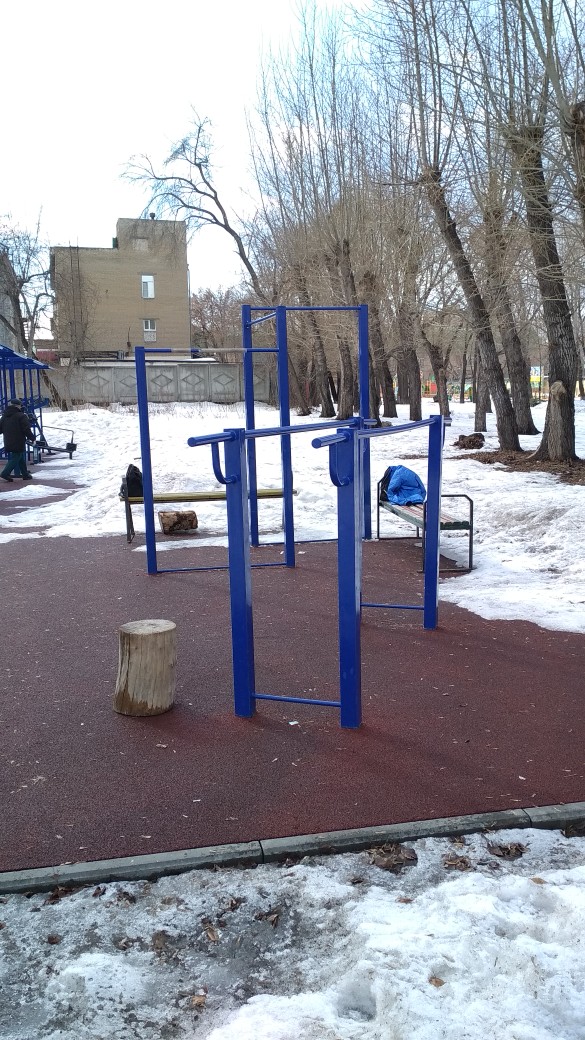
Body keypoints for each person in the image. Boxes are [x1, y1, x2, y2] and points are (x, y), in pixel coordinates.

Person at [0, 399, 36, 482]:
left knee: (20, 456)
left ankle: (25, 474)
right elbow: (26, 429)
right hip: (18, 440)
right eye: (20, 405)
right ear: (18, 406)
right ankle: (5, 473)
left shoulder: (4, 416)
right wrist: (32, 438)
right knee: (16, 456)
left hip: (8, 439)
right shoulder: (21, 416)